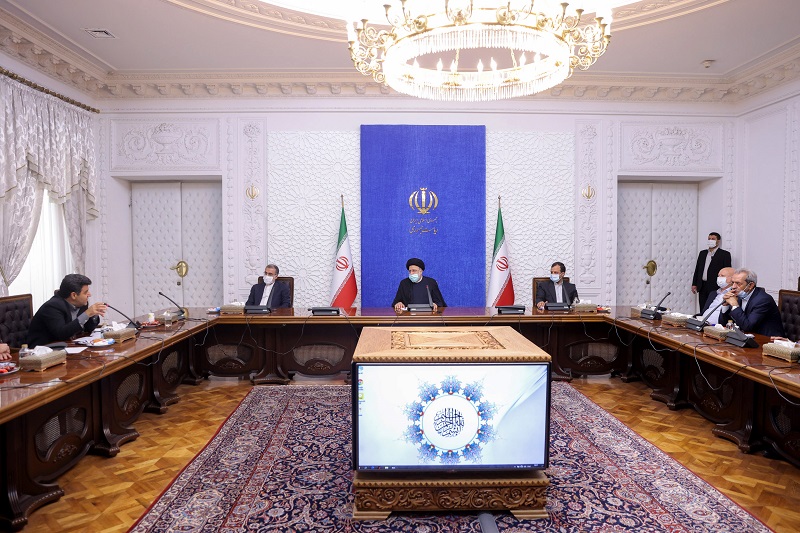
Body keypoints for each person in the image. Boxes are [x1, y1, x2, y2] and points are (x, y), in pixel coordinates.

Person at [27, 274, 107, 347]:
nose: (89, 295)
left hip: (67, 346)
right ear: (74, 295)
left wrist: (93, 315)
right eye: (86, 292)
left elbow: (88, 328)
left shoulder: (81, 303)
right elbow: (61, 334)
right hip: (42, 350)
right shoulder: (52, 307)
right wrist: (86, 314)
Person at [718, 268, 785, 337]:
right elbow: (723, 324)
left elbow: (747, 327)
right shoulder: (737, 296)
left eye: (738, 283)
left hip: (767, 339)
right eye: (732, 283)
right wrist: (725, 305)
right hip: (745, 337)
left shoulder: (763, 300)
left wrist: (735, 305)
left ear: (750, 285)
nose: (733, 287)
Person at [692, 232, 732, 313]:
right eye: (709, 239)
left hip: (715, 286)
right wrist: (694, 283)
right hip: (702, 285)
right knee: (702, 307)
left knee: (712, 307)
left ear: (718, 241)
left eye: (713, 239)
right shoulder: (702, 253)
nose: (710, 240)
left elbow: (728, 271)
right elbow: (697, 269)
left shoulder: (724, 254)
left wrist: (726, 285)